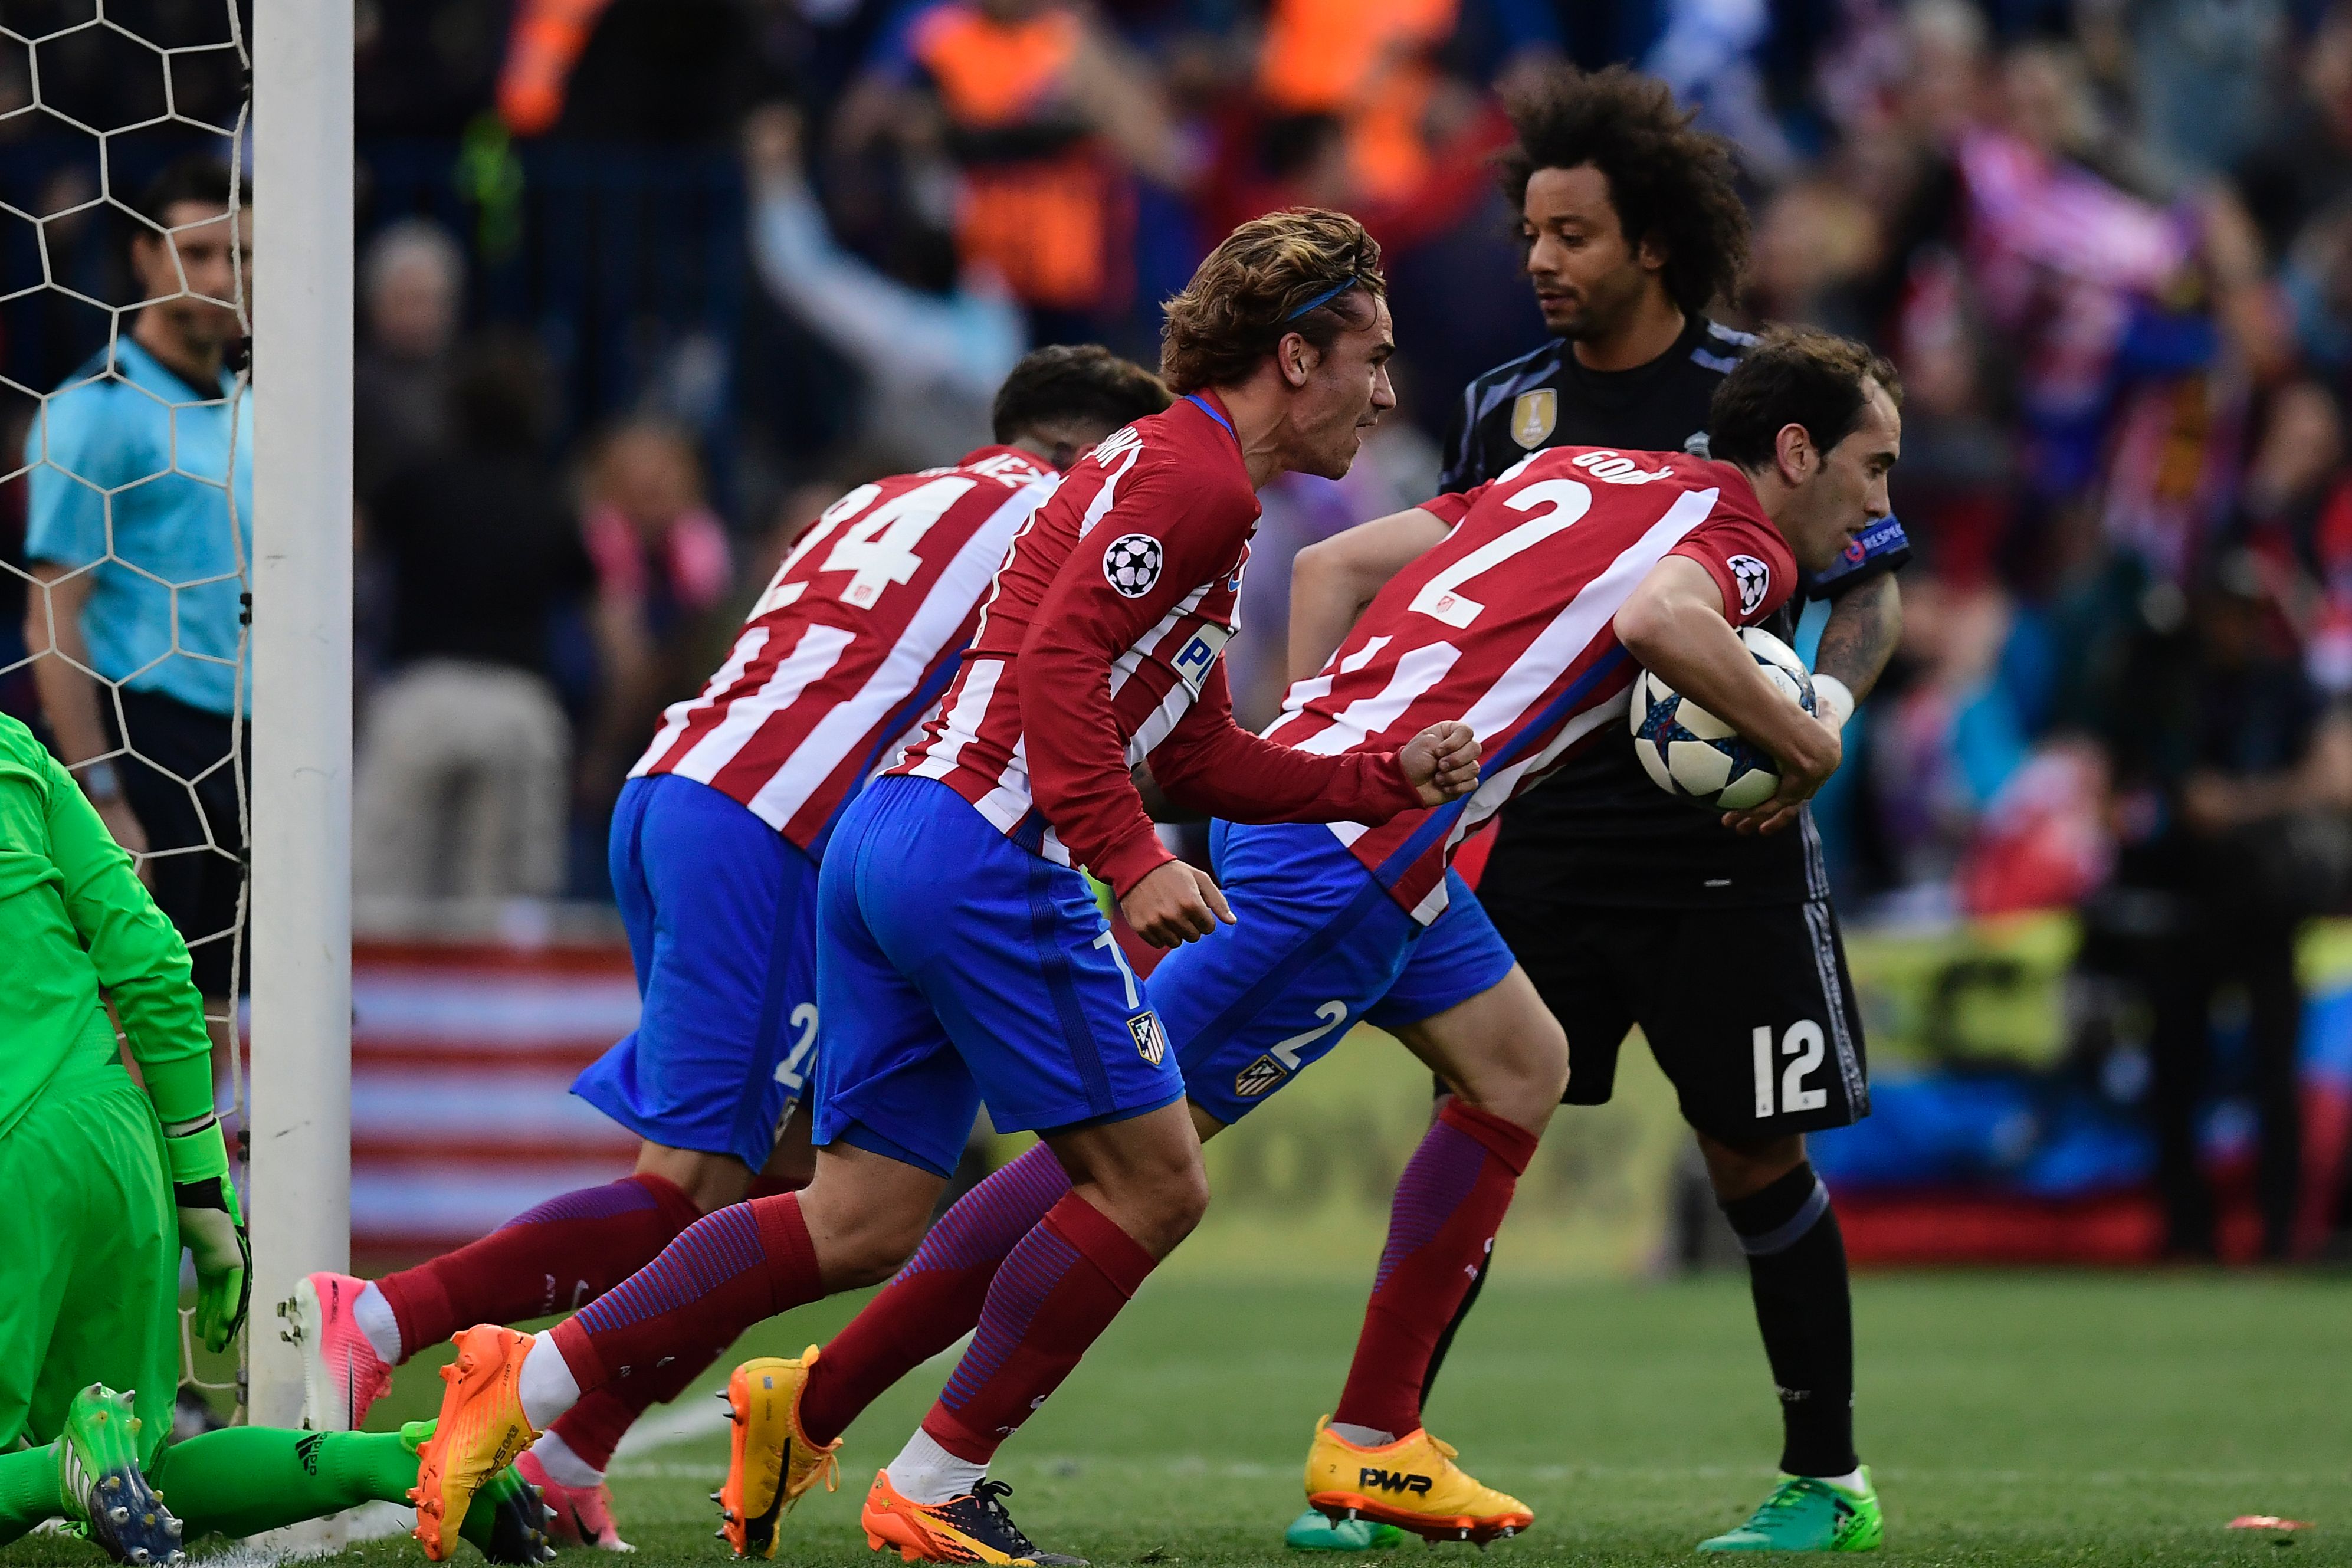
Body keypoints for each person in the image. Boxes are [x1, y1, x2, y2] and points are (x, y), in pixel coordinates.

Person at [698, 325, 1899, 1558]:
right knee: (1121, 1166)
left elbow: (1329, 566)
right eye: (1871, 469)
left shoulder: (1581, 469)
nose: (1877, 504)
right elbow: (1660, 619)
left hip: (1366, 834)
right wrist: (1806, 741)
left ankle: (1376, 1438)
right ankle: (846, 1412)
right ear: (1794, 451)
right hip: (1344, 863)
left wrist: (1331, 749)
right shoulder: (1743, 547)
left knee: (1518, 1062)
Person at [399, 209, 1480, 1567]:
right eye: (1372, 360)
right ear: (1295, 354)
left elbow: (1193, 745)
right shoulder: (1189, 481)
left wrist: (1377, 778)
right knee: (1154, 1181)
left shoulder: (1178, 478)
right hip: (983, 853)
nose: (1386, 393)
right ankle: (936, 1478)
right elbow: (1059, 678)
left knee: (861, 1216)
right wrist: (1127, 858)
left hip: (889, 835)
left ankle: (540, 1378)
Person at [294, 343, 1175, 1548]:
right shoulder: (1062, 514)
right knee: (694, 1192)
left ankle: (572, 1449)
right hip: (779, 831)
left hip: (689, 789)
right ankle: (387, 1320)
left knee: (790, 1191)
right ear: (1090, 458)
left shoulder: (878, 497)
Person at [1284, 67, 1911, 1553]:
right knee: (1480, 1112)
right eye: (1529, 236)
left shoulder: (1763, 398)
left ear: (1650, 243)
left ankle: (1825, 1479)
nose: (1541, 263)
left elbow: (1869, 583)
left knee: (1754, 1154)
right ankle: (1381, 1448)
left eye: (1570, 234)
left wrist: (1814, 714)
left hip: (1724, 840)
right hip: (1547, 832)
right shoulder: (1511, 408)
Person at [0, 711, 550, 1565]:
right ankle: (396, 1458)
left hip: (9, 1153)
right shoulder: (15, 744)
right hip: (109, 1129)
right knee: (142, 1461)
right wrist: (198, 1180)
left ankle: (66, 1469)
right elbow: (151, 957)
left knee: (66, 1467)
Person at [21, 154, 256, 1089]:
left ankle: (214, 1226)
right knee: (135, 1016)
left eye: (238, 255)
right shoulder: (97, 412)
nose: (220, 276)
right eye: (196, 253)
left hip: (239, 741)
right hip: (145, 728)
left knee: (214, 1012)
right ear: (144, 261)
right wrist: (102, 791)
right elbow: (52, 611)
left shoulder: (257, 407)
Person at [352, 333, 591, 905]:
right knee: (500, 909)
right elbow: (609, 619)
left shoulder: (417, 481)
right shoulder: (552, 498)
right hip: (520, 705)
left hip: (422, 696)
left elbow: (348, 552)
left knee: (382, 897)